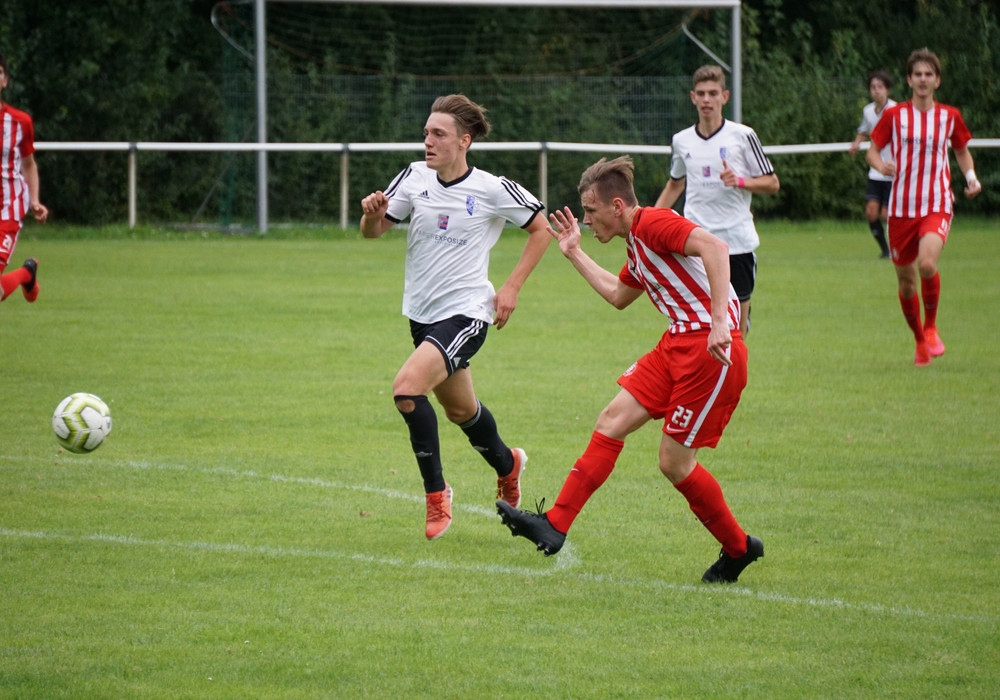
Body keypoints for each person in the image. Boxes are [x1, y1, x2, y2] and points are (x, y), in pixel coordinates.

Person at [497, 155, 763, 584]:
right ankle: (555, 524)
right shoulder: (636, 242)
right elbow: (619, 295)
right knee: (612, 420)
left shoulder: (654, 223)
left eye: (591, 211)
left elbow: (715, 247)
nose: (586, 220)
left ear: (617, 206)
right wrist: (574, 253)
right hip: (676, 342)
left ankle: (738, 548)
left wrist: (719, 322)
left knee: (674, 463)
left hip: (709, 350)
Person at [360, 94, 550, 540]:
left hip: (467, 313)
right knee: (461, 410)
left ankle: (437, 495)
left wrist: (511, 287)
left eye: (438, 134)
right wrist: (371, 216)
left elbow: (541, 228)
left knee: (407, 390)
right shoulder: (413, 177)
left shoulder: (491, 188)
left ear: (464, 141)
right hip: (422, 316)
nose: (428, 141)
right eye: (426, 133)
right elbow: (373, 232)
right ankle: (508, 464)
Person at [866, 48, 982, 366]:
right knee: (906, 283)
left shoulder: (949, 117)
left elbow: (961, 150)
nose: (923, 79)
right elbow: (872, 150)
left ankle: (931, 328)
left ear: (937, 80)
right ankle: (919, 340)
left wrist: (971, 178)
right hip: (901, 209)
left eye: (928, 74)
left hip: (936, 203)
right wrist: (881, 165)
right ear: (908, 80)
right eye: (917, 74)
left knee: (927, 264)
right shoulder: (895, 116)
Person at [655, 64, 779, 336]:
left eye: (713, 93)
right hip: (696, 243)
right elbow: (675, 184)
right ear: (693, 97)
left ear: (725, 96)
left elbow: (772, 183)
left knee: (737, 333)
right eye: (701, 93)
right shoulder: (681, 141)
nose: (706, 99)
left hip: (737, 243)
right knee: (700, 323)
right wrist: (647, 224)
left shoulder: (743, 136)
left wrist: (741, 181)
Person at [0, 52, 48, 304]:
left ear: (5, 81)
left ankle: (24, 274)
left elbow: (29, 164)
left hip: (8, 208)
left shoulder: (20, 122)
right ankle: (27, 273)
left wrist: (34, 201)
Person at [848, 69, 896, 258]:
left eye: (880, 87)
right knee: (871, 212)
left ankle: (901, 247)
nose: (876, 90)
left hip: (893, 170)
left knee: (887, 214)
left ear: (887, 89)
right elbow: (864, 130)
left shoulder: (896, 110)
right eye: (873, 87)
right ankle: (886, 251)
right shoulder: (868, 111)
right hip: (876, 170)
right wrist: (856, 144)